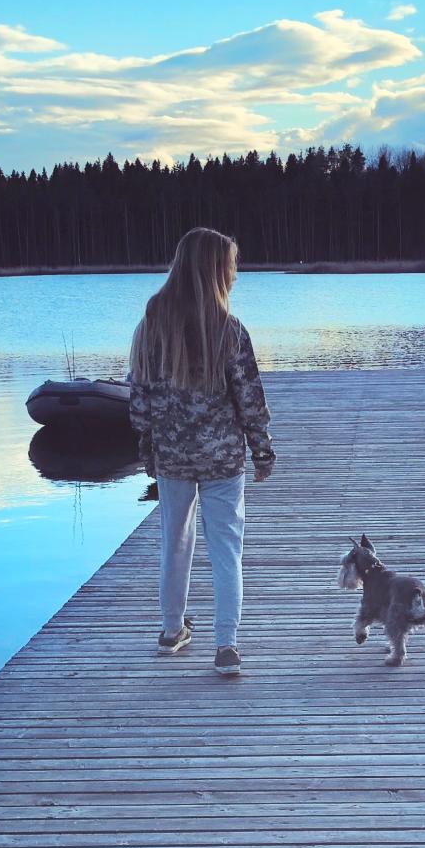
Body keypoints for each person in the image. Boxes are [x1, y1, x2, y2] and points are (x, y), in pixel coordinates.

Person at [127, 227, 275, 676]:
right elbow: (250, 397)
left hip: (172, 455)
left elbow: (140, 397)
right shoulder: (228, 329)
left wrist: (147, 446)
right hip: (222, 458)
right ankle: (226, 645)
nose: (234, 274)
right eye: (230, 265)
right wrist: (262, 450)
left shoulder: (152, 325)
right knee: (226, 547)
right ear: (215, 270)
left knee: (175, 541)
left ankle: (172, 631)